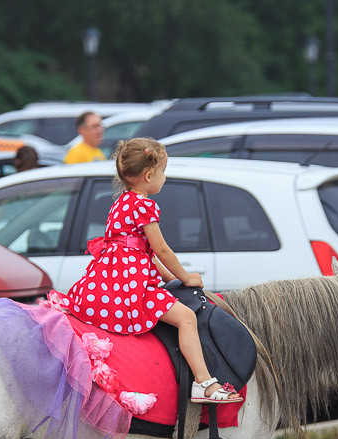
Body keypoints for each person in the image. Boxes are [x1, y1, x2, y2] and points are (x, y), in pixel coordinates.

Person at [60, 138, 242, 403]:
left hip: (108, 282)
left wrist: (170, 280)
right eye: (163, 172)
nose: (164, 178)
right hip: (132, 287)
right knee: (187, 318)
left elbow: (139, 250)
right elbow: (161, 250)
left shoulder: (120, 203)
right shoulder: (144, 206)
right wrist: (186, 277)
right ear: (148, 175)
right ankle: (204, 383)